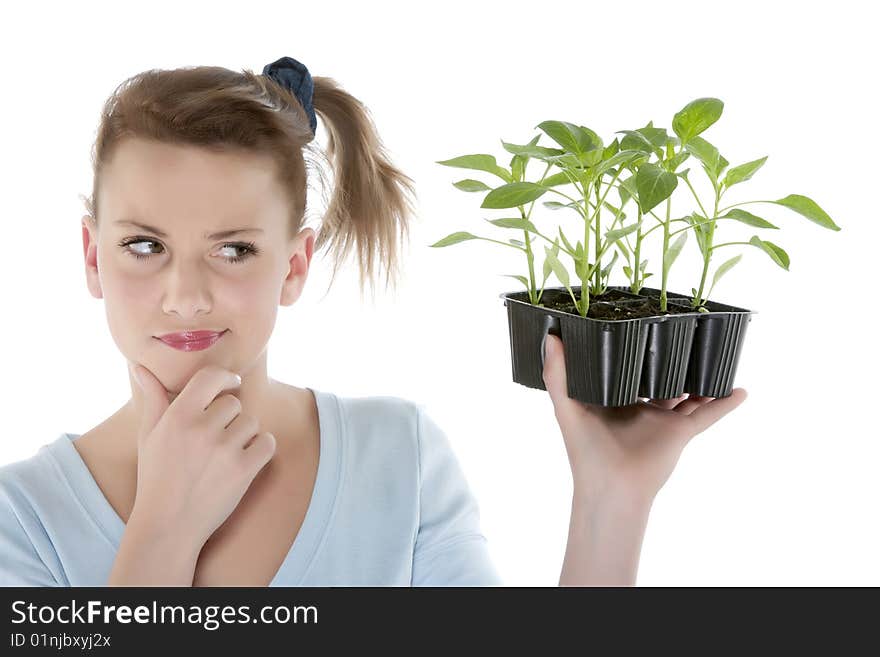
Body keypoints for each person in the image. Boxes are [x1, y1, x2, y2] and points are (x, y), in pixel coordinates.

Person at [0, 56, 748, 587]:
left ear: (294, 265)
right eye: (144, 245)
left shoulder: (400, 459)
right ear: (93, 257)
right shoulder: (20, 518)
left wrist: (613, 497)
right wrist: (164, 526)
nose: (186, 295)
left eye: (233, 249)